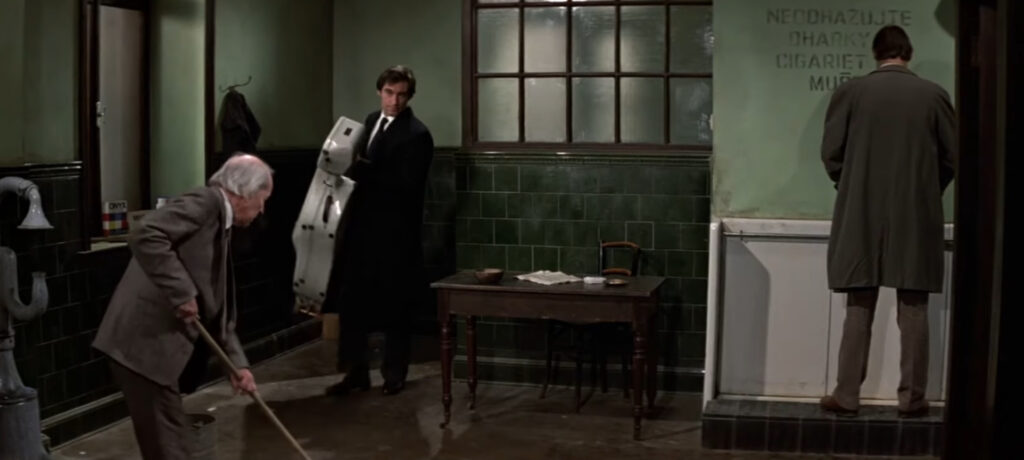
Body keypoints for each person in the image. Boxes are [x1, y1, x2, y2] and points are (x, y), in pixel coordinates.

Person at [92, 154, 274, 459]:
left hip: (155, 352)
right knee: (169, 448)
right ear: (243, 193)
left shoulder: (221, 223)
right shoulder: (205, 203)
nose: (262, 209)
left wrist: (238, 365)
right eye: (262, 199)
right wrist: (181, 292)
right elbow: (146, 233)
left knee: (170, 445)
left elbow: (218, 308)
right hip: (142, 346)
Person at [818, 25, 956, 418]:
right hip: (916, 212)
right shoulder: (933, 95)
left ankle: (847, 395)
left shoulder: (851, 92)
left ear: (876, 53)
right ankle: (912, 399)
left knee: (858, 304)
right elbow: (953, 157)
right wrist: (927, 190)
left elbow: (831, 154)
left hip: (861, 210)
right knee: (914, 305)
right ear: (907, 52)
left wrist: (852, 185)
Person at [325, 65, 434, 397]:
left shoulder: (417, 134)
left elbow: (408, 186)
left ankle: (394, 373)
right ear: (379, 91)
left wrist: (364, 171)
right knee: (352, 303)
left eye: (401, 95)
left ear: (410, 96)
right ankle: (355, 372)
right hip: (360, 230)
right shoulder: (371, 121)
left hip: (395, 234)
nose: (394, 101)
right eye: (389, 93)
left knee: (395, 306)